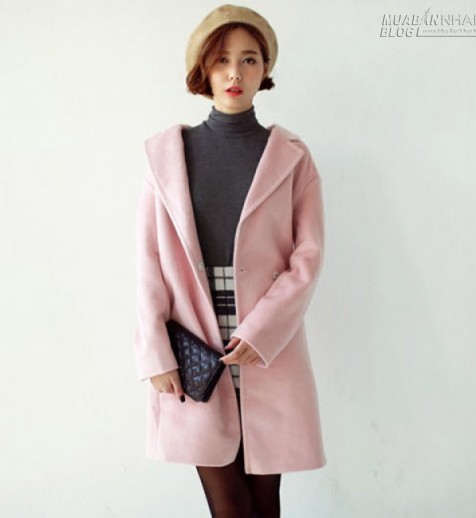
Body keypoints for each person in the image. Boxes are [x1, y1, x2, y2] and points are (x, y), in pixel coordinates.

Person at [133, 4, 326, 516]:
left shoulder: (292, 156)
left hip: (267, 344)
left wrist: (261, 331)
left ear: (265, 69)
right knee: (230, 507)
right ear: (203, 69)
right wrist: (155, 353)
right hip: (193, 346)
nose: (234, 73)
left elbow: (307, 257)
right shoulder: (166, 155)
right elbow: (149, 263)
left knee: (265, 502)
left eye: (248, 59)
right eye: (221, 60)